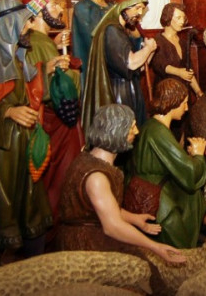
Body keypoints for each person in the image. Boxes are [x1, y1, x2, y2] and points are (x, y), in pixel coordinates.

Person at [0, 0, 53, 260]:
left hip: (22, 142)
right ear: (8, 24)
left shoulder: (17, 55)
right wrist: (7, 111)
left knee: (31, 205)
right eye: (25, 22)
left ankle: (33, 267)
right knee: (3, 208)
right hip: (2, 146)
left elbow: (26, 90)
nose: (29, 27)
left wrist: (47, 71)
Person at [56, 104, 186, 264]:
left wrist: (134, 219)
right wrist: (155, 247)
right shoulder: (97, 177)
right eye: (132, 127)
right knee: (139, 268)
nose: (136, 132)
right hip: (87, 246)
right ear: (116, 131)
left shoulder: (92, 161)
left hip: (94, 235)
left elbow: (105, 209)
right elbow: (113, 226)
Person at [21, 0, 84, 224]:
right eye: (53, 5)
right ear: (38, 13)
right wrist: (75, 75)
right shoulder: (38, 42)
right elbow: (55, 85)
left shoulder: (39, 41)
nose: (59, 9)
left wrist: (55, 47)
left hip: (54, 118)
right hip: (55, 119)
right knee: (62, 173)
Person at [127, 79, 206, 248]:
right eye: (184, 103)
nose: (186, 108)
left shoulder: (152, 126)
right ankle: (186, 248)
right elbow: (189, 172)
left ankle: (192, 238)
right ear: (173, 102)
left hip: (155, 187)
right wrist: (199, 155)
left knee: (193, 197)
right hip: (155, 196)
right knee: (179, 238)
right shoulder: (159, 132)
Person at [81, 0, 157, 132]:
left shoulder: (122, 30)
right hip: (119, 95)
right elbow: (131, 63)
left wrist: (151, 50)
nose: (140, 13)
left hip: (130, 90)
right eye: (137, 8)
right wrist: (148, 48)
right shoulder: (112, 30)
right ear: (124, 7)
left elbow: (140, 67)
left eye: (142, 8)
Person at [151, 3, 202, 142]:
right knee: (169, 131)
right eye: (178, 18)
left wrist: (198, 92)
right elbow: (159, 65)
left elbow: (189, 70)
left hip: (183, 93)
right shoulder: (158, 40)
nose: (182, 22)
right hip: (167, 94)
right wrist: (178, 72)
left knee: (184, 129)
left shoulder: (183, 42)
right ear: (168, 18)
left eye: (183, 18)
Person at [72, 0, 115, 87]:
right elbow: (92, 39)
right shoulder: (83, 8)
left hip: (112, 66)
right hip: (93, 68)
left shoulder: (110, 6)